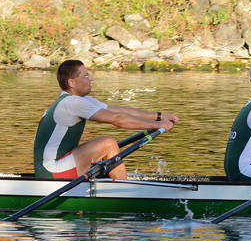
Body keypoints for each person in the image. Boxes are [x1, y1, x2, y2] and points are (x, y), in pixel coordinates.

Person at [33, 60, 179, 180]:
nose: (91, 78)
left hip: (59, 164)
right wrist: (157, 125)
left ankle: (117, 180)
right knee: (108, 144)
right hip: (51, 171)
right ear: (72, 82)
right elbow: (118, 120)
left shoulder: (78, 100)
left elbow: (120, 111)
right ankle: (123, 192)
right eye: (85, 76)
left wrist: (159, 116)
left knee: (105, 149)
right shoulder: (72, 103)